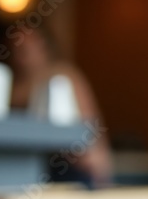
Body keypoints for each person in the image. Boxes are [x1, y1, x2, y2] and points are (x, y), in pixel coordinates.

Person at [8, 27, 114, 188]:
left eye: (26, 45)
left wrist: (100, 164)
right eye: (17, 46)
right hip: (27, 166)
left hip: (71, 165)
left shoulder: (64, 74)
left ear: (43, 45)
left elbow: (89, 123)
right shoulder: (13, 83)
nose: (21, 50)